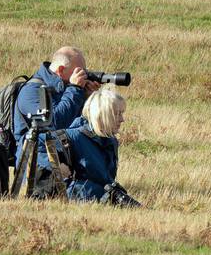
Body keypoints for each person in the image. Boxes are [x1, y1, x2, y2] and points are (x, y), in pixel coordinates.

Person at [12, 45, 99, 195]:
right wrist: (75, 89)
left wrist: (87, 99)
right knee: (77, 192)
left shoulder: (67, 89)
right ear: (60, 70)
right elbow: (53, 124)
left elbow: (77, 125)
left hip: (66, 152)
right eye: (78, 72)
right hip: (38, 161)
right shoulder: (31, 91)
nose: (83, 76)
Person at [50, 85, 140, 206]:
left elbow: (105, 180)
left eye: (122, 113)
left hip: (101, 202)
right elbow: (33, 143)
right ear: (102, 114)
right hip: (76, 206)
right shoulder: (71, 137)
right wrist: (54, 164)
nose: (122, 119)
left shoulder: (111, 141)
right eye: (117, 114)